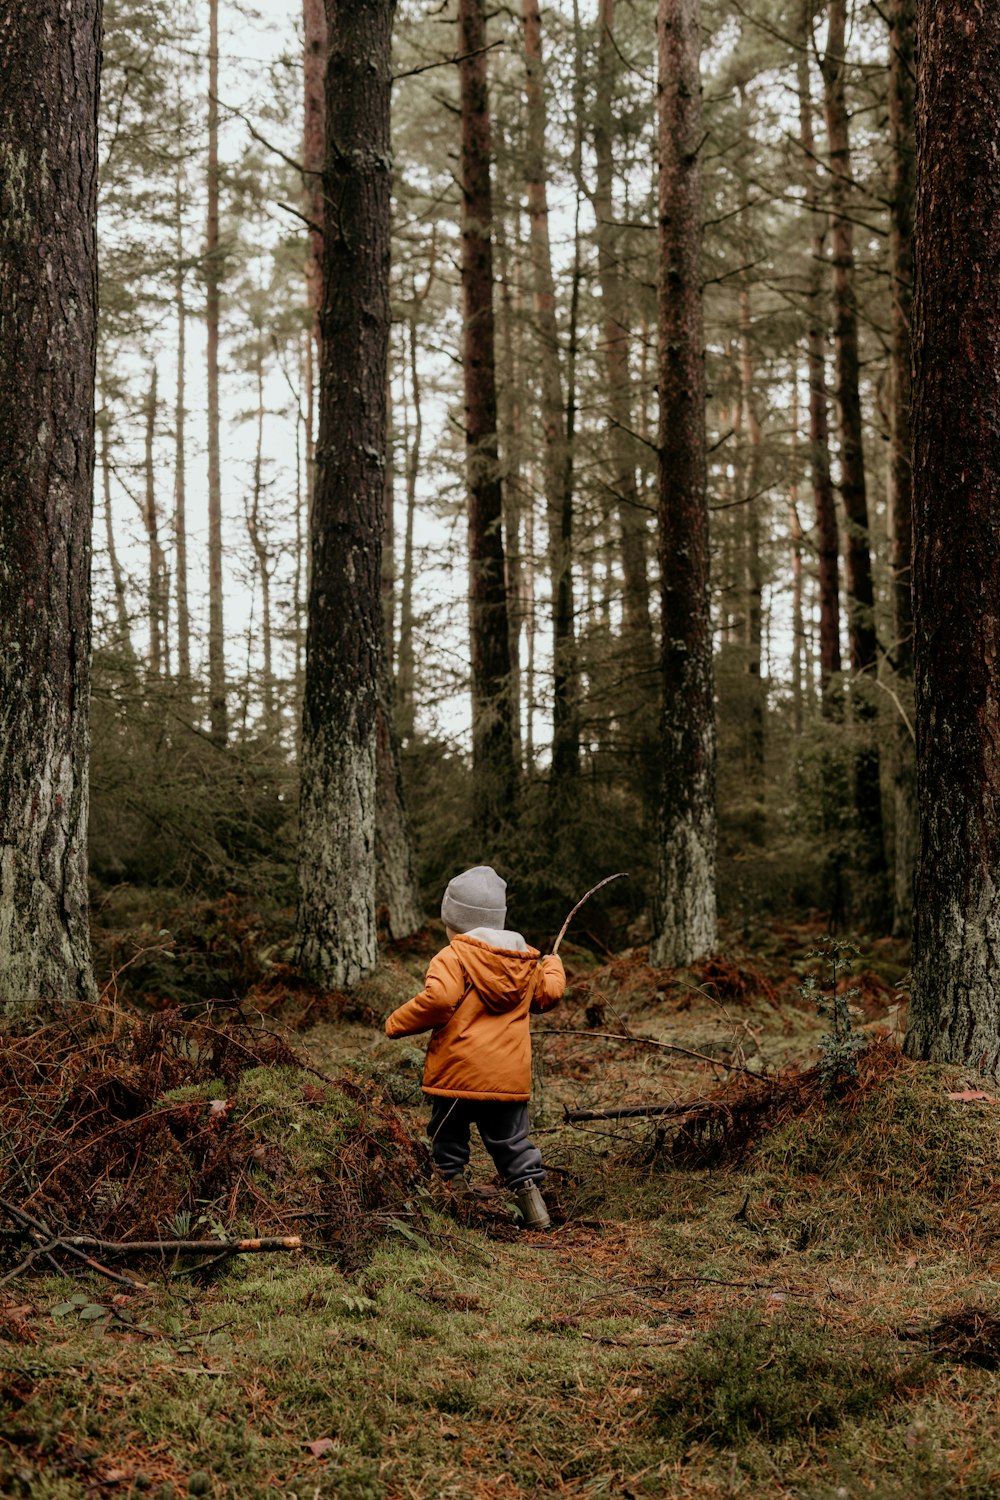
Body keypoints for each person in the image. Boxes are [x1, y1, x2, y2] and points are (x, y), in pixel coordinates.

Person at [384, 865, 566, 1229]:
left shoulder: (452, 957)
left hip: (457, 1071)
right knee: (513, 1143)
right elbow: (548, 995)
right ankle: (536, 1210)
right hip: (506, 1079)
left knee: (448, 1138)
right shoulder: (525, 960)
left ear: (454, 921)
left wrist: (396, 1022)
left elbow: (438, 1000)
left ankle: (455, 1200)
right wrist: (554, 966)